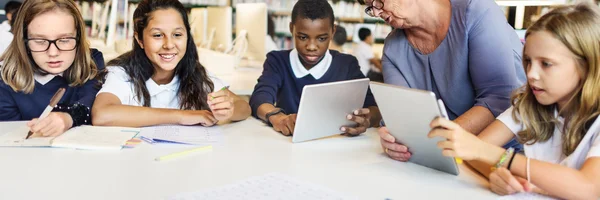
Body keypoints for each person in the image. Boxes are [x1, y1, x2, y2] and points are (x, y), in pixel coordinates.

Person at [429, 4, 600, 199]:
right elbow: (475, 154)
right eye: (528, 61)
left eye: (546, 64)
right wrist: (499, 174)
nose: (531, 74)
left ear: (586, 65)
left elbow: (590, 188)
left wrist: (501, 159)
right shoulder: (530, 104)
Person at [357, 0, 526, 161]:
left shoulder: (476, 11)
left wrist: (434, 141)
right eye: (370, 7)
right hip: (440, 153)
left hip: (503, 154)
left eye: (379, 1)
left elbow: (498, 98)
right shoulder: (393, 48)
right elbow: (402, 114)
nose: (377, 12)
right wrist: (393, 139)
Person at [92, 0, 251, 127]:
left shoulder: (195, 73)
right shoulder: (121, 73)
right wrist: (181, 116)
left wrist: (229, 110)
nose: (169, 44)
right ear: (139, 39)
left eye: (177, 34)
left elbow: (244, 107)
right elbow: (102, 114)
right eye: (157, 35)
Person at [249, 0, 381, 136]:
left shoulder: (347, 64)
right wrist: (279, 118)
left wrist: (367, 119)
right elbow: (260, 98)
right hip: (289, 144)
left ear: (333, 31)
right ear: (291, 28)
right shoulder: (277, 61)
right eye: (302, 37)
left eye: (322, 38)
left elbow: (374, 109)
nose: (311, 46)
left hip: (336, 143)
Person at [0, 0, 105, 138]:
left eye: (65, 39)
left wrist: (68, 118)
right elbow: (11, 140)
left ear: (78, 38)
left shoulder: (91, 61)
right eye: (40, 41)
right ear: (23, 41)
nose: (53, 53)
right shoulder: (6, 80)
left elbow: (90, 101)